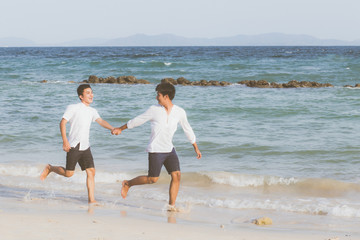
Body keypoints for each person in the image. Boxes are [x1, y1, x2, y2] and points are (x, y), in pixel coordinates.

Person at [111, 82, 202, 211]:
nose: (156, 97)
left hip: (169, 149)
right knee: (152, 179)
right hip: (156, 149)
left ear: (166, 96)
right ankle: (128, 183)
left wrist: (195, 146)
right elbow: (138, 120)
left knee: (177, 175)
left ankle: (171, 206)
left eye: (158, 95)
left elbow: (187, 129)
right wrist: (121, 128)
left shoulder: (179, 112)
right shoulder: (154, 109)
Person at [40, 84, 114, 204]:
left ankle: (91, 199)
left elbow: (100, 121)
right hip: (74, 145)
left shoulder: (92, 111)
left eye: (92, 92)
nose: (91, 95)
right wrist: (65, 141)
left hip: (86, 146)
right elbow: (62, 123)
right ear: (81, 96)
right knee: (69, 174)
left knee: (91, 171)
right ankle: (50, 168)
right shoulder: (73, 107)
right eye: (88, 93)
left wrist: (112, 128)